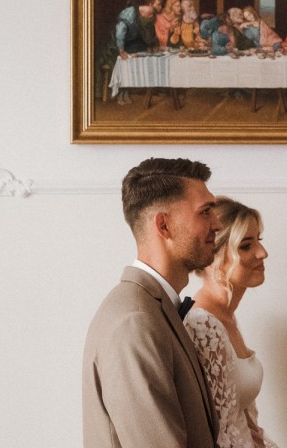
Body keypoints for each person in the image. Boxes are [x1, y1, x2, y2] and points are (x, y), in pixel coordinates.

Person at [82, 157, 221, 448]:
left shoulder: (153, 307)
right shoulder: (135, 320)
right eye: (205, 211)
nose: (217, 223)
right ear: (164, 225)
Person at [185, 197, 280, 448]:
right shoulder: (202, 325)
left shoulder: (226, 317)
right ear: (213, 255)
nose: (262, 253)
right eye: (246, 246)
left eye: (259, 240)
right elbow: (218, 434)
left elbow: (244, 419)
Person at [114, 0, 158, 105]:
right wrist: (121, 50)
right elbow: (120, 34)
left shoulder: (142, 16)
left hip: (134, 44)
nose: (149, 20)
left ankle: (127, 93)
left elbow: (148, 33)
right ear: (146, 14)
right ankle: (121, 94)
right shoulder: (128, 15)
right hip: (121, 45)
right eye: (149, 17)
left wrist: (152, 45)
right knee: (125, 65)